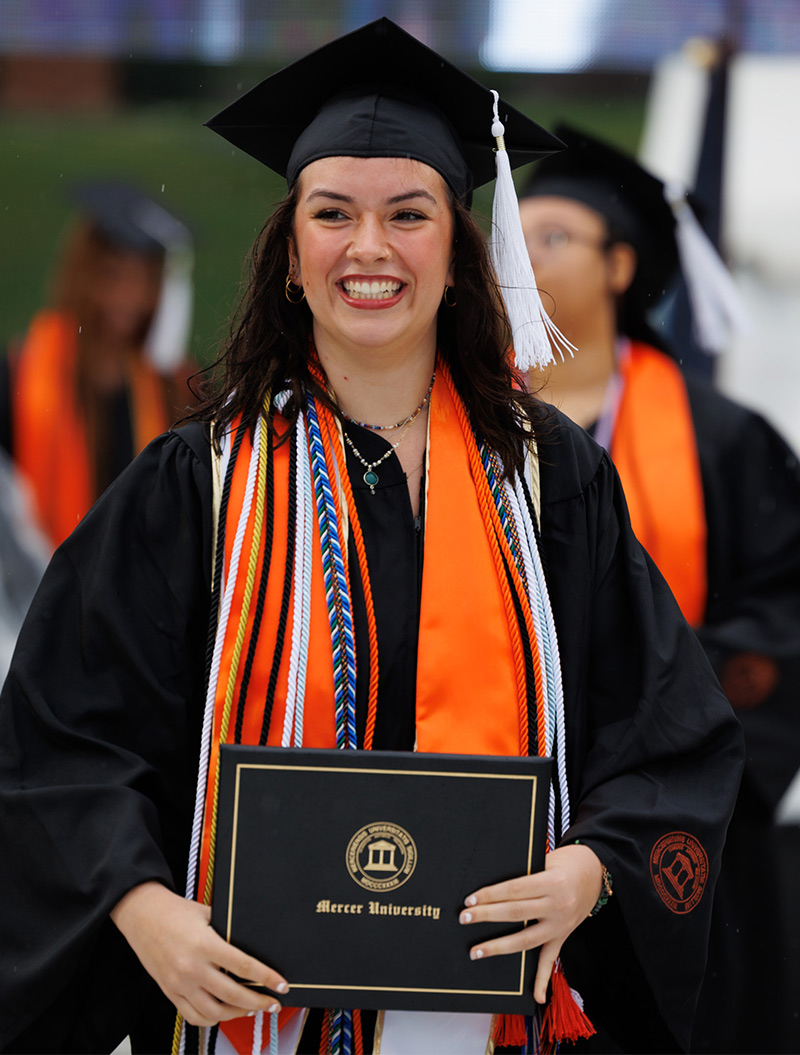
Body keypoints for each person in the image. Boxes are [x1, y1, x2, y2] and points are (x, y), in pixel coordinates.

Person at [0, 21, 743, 1055]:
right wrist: (139, 908)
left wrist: (587, 870)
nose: (369, 247)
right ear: (292, 254)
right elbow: (61, 742)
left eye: (408, 214)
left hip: (482, 1013)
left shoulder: (550, 479)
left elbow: (667, 732)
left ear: (456, 251)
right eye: (332, 214)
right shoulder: (194, 485)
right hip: (242, 1010)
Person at [518, 124, 800, 1054]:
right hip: (508, 804)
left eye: (551, 235)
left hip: (687, 828)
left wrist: (655, 714)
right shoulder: (462, 429)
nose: (521, 257)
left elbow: (785, 614)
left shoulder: (723, 439)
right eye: (509, 239)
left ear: (621, 265)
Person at [0, 180, 196, 549]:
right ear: (82, 274)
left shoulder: (177, 385)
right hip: (41, 588)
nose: (130, 297)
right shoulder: (18, 379)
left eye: (146, 280)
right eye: (112, 275)